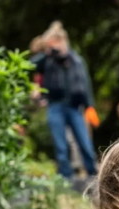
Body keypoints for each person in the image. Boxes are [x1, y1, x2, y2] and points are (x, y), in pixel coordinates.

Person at [30, 21, 99, 185]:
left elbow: (85, 83)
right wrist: (48, 53)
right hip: (55, 106)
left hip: (75, 107)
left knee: (84, 142)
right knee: (61, 144)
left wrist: (90, 106)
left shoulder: (76, 61)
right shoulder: (47, 61)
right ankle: (66, 177)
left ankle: (93, 174)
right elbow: (30, 64)